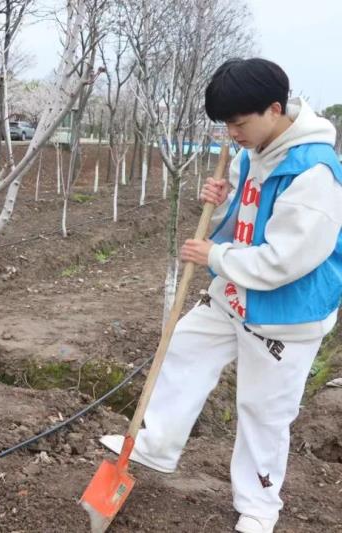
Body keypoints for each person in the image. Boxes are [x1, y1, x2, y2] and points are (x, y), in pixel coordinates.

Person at [99, 58, 342, 533]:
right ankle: (157, 444)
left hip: (285, 312)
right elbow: (248, 218)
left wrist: (214, 254)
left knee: (263, 410)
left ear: (275, 110)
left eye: (239, 122)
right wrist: (225, 198)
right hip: (234, 294)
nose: (231, 133)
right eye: (226, 123)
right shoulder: (256, 150)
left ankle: (259, 506)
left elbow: (284, 260)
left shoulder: (314, 174)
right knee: (184, 346)